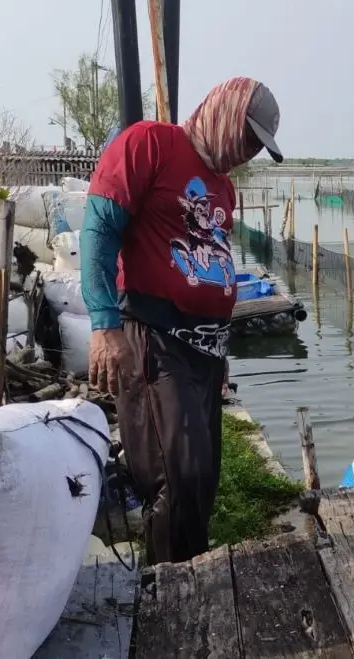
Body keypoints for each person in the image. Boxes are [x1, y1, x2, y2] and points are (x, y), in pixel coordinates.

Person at [80, 77, 283, 565]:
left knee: (203, 479)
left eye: (259, 144)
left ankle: (193, 577)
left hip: (205, 351)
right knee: (178, 476)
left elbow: (212, 261)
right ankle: (169, 595)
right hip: (155, 335)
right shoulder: (151, 143)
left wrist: (221, 353)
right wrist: (106, 327)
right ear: (225, 113)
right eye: (249, 135)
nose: (250, 149)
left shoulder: (223, 187)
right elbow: (98, 229)